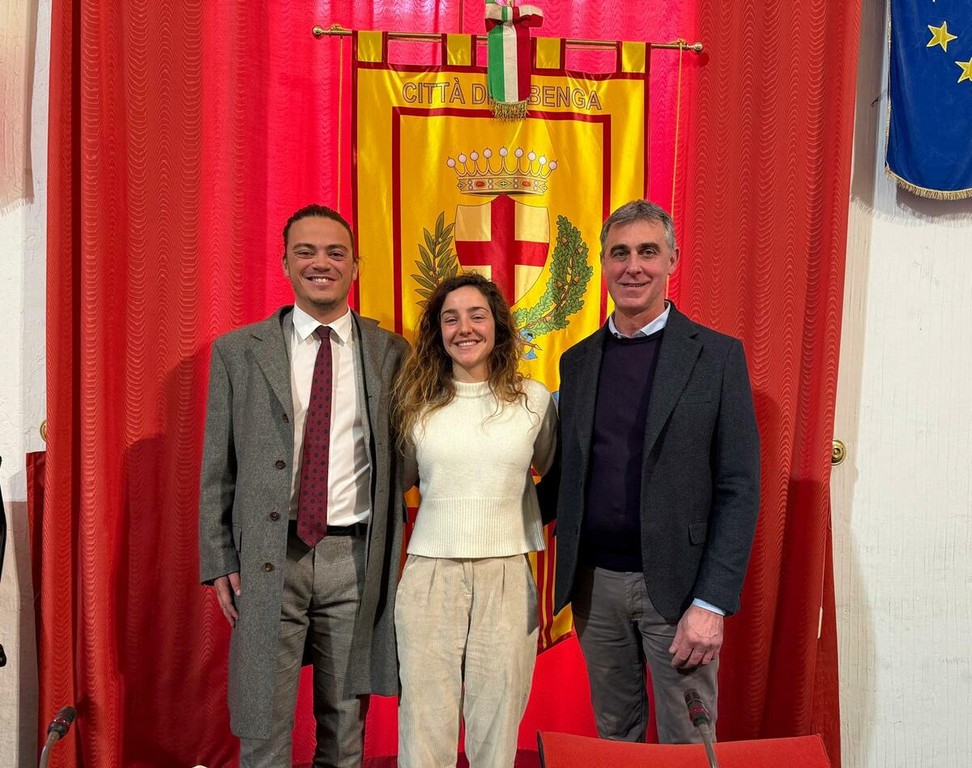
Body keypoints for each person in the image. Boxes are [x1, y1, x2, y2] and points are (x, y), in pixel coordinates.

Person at [198, 204, 409, 767]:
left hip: (354, 557)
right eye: (306, 251)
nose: (322, 263)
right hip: (268, 555)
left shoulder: (391, 353)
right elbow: (218, 466)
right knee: (262, 721)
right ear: (285, 263)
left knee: (345, 726)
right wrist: (219, 559)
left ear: (355, 266)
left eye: (336, 252)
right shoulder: (238, 352)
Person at [549, 200, 760, 743]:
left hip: (681, 590)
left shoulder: (717, 357)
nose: (633, 267)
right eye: (619, 253)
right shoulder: (576, 362)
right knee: (615, 737)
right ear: (603, 263)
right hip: (595, 587)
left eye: (647, 252)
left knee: (688, 742)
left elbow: (738, 489)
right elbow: (566, 478)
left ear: (672, 260)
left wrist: (711, 602)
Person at [391, 273, 558, 767]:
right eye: (451, 318)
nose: (464, 328)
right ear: (438, 331)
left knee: (497, 728)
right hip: (429, 575)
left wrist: (515, 524)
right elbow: (398, 480)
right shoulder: (415, 403)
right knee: (423, 727)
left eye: (476, 315)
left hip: (507, 575)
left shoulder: (534, 400)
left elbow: (556, 475)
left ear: (498, 325)